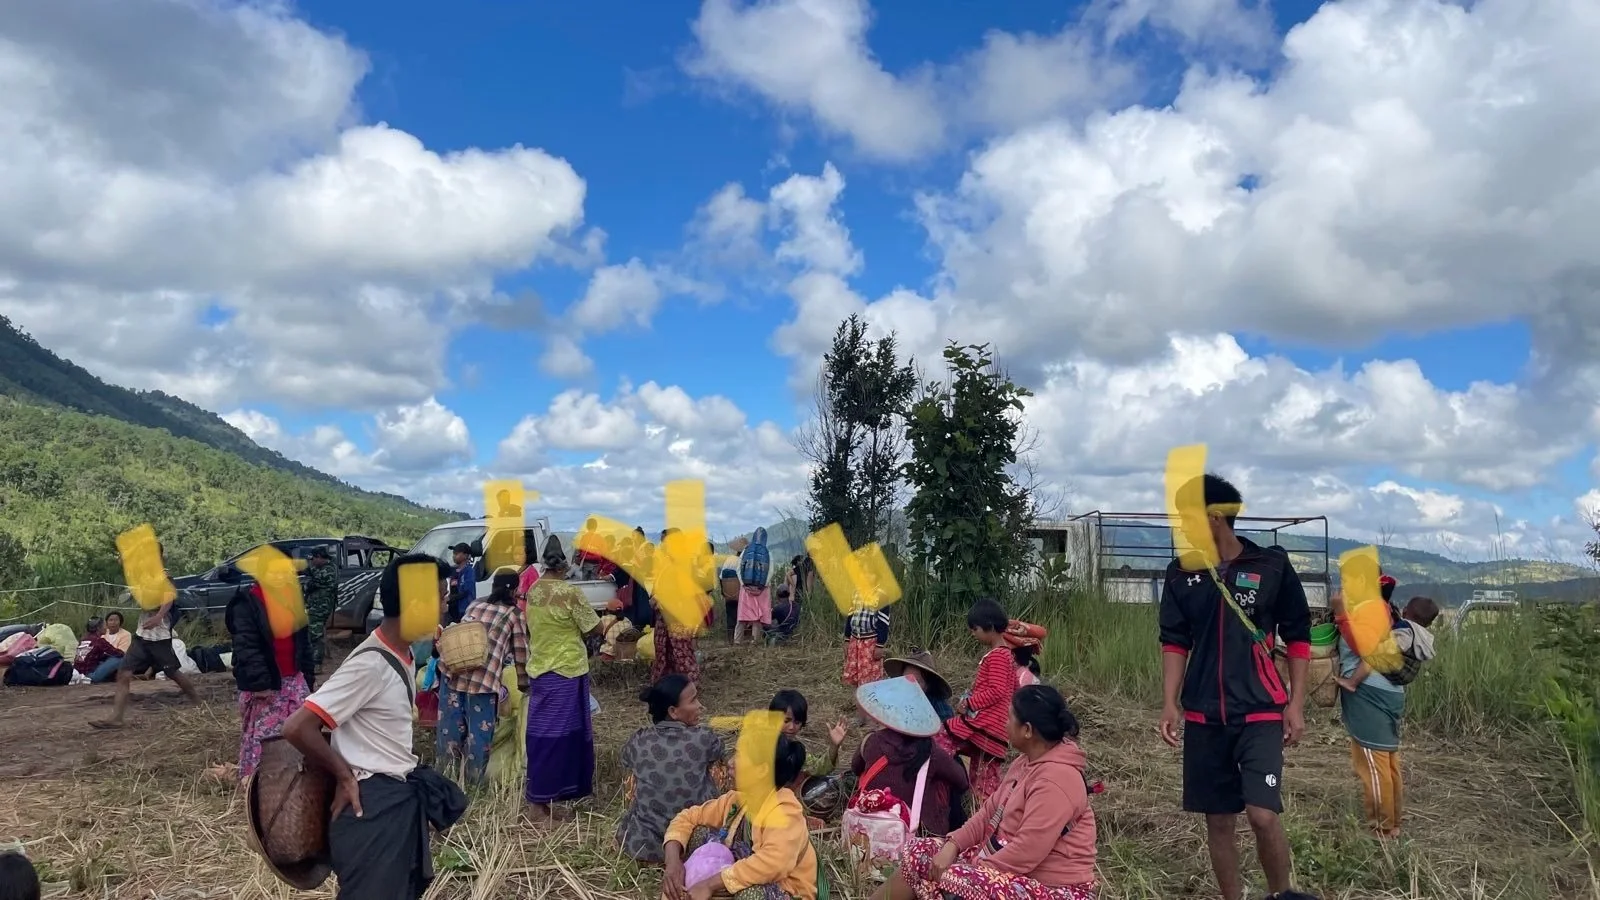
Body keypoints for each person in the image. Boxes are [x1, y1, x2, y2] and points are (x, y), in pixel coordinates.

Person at [1157, 473, 1313, 900]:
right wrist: (1170, 703)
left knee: (1262, 815)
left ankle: (1281, 894)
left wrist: (1295, 704)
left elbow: (1298, 636)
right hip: (1205, 714)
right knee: (1219, 819)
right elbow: (1174, 641)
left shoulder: (1271, 566)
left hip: (1261, 710)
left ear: (1214, 518)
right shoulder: (1180, 573)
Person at [282, 552, 467, 899]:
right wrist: (344, 775)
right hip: (371, 810)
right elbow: (298, 727)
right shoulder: (370, 665)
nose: (445, 607)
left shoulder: (405, 654)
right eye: (441, 597)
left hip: (392, 800)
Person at [877, 685, 1098, 900]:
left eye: (1010, 718)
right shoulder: (1025, 763)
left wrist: (972, 867)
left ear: (1028, 730)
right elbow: (986, 814)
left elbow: (1026, 852)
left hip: (1051, 887)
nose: (1004, 723)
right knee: (922, 852)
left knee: (958, 879)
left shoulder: (1055, 781)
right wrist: (952, 846)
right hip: (1007, 866)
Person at [1332, 587, 1440, 839]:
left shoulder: (1378, 617)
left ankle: (1381, 827)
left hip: (1370, 693)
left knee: (1372, 762)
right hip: (1392, 693)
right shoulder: (1413, 632)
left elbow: (1365, 647)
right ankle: (1394, 823)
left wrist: (1340, 614)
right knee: (1388, 762)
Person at [663, 734, 819, 900]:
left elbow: (771, 864)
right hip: (741, 874)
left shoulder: (785, 812)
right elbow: (687, 817)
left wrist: (710, 884)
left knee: (750, 895)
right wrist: (672, 863)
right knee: (698, 832)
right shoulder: (739, 800)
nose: (730, 762)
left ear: (761, 770)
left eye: (739, 755)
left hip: (783, 890)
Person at [522, 538, 604, 822]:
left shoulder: (532, 590)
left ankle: (546, 799)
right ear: (567, 562)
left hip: (541, 670)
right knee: (558, 738)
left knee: (543, 735)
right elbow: (594, 626)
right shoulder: (569, 593)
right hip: (566, 671)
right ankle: (538, 804)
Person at [617, 675, 729, 862]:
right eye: (693, 700)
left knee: (634, 775)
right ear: (673, 711)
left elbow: (625, 761)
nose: (700, 705)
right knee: (721, 767)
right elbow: (720, 752)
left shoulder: (638, 740)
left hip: (643, 845)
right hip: (694, 842)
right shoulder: (703, 738)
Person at [439, 570, 530, 785]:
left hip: (453, 673)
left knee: (450, 730)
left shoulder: (475, 605)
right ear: (515, 590)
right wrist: (524, 685)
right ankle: (473, 784)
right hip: (484, 682)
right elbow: (521, 654)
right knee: (478, 736)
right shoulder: (514, 615)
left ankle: (445, 779)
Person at [936, 599, 1034, 801]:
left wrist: (971, 703)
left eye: (975, 629)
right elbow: (1013, 689)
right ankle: (992, 817)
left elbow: (997, 691)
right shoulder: (1008, 657)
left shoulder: (997, 656)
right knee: (984, 781)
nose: (973, 633)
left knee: (941, 737)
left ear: (989, 627)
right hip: (996, 730)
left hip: (983, 725)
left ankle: (940, 784)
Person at [94, 545, 200, 729]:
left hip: (159, 637)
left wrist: (159, 616)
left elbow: (168, 597)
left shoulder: (164, 576)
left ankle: (200, 705)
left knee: (172, 672)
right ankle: (116, 717)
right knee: (124, 673)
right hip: (142, 636)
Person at [227, 573, 317, 781]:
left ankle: (294, 779)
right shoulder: (247, 603)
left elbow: (304, 643)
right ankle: (261, 783)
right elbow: (247, 646)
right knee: (266, 738)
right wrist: (260, 684)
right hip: (267, 685)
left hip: (294, 680)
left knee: (301, 730)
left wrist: (308, 677)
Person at [852, 691, 970, 836]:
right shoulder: (930, 750)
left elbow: (855, 767)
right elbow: (963, 782)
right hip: (918, 835)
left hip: (867, 831)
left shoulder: (871, 741)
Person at [770, 690, 847, 778]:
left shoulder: (794, 749)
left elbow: (817, 768)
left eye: (797, 722)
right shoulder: (759, 742)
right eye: (786, 721)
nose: (791, 727)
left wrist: (834, 746)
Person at [885, 650, 956, 723]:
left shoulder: (939, 708)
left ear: (928, 685)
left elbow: (945, 728)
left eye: (916, 681)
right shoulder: (894, 695)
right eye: (906, 678)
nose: (909, 685)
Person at [304, 546, 338, 669]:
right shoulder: (326, 567)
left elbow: (315, 579)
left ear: (319, 557)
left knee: (314, 634)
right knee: (315, 633)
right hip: (317, 606)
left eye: (313, 558)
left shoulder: (328, 570)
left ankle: (316, 663)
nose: (311, 561)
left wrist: (307, 569)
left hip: (320, 607)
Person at [843, 602, 890, 687]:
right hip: (855, 640)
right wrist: (847, 639)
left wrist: (880, 645)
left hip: (870, 643)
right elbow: (850, 617)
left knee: (869, 676)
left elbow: (883, 623)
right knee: (854, 673)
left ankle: (870, 696)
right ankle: (856, 695)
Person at [74, 617, 125, 684]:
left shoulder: (83, 638)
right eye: (104, 625)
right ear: (98, 628)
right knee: (119, 659)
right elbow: (117, 653)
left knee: (106, 658)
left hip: (78, 673)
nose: (106, 628)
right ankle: (122, 678)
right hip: (90, 676)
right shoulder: (99, 641)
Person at [448, 543, 476, 624]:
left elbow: (467, 590)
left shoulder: (469, 571)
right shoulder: (453, 570)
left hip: (464, 609)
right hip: (453, 608)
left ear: (465, 555)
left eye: (456, 554)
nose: (453, 556)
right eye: (453, 554)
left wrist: (453, 598)